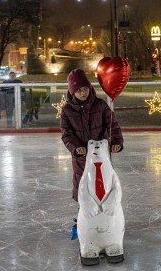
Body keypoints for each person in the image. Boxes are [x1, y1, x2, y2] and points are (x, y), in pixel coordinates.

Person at [60, 69, 124, 235]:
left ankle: (107, 220)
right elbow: (66, 134)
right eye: (79, 90)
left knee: (104, 183)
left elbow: (113, 126)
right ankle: (83, 218)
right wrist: (76, 148)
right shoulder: (67, 111)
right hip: (82, 158)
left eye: (86, 88)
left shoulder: (100, 105)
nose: (83, 92)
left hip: (102, 156)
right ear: (72, 91)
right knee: (84, 186)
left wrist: (116, 142)